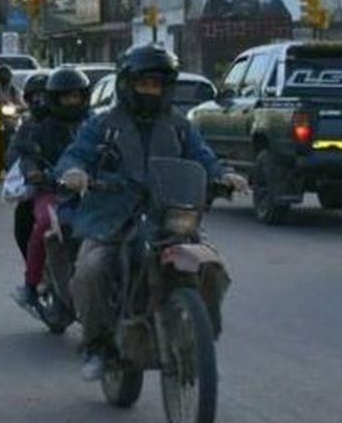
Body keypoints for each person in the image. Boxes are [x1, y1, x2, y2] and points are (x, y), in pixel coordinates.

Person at [55, 44, 246, 380]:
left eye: (157, 85)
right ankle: (98, 345)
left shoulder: (179, 126)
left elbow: (203, 157)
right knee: (91, 270)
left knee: (211, 266)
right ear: (128, 85)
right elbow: (75, 154)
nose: (151, 91)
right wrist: (74, 173)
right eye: (145, 84)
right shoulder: (103, 125)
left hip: (167, 214)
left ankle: (199, 340)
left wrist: (223, 175)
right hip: (112, 217)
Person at [10, 66, 91, 310]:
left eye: (76, 95)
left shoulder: (95, 124)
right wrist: (34, 172)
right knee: (45, 223)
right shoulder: (40, 128)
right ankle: (31, 284)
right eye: (65, 96)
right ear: (54, 99)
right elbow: (26, 156)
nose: (71, 101)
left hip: (93, 190)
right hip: (52, 191)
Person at [12, 70, 50, 262]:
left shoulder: (84, 122)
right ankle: (33, 274)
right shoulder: (27, 126)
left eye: (44, 96)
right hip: (42, 187)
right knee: (24, 221)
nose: (40, 101)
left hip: (76, 189)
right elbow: (14, 154)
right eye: (35, 96)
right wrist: (31, 170)